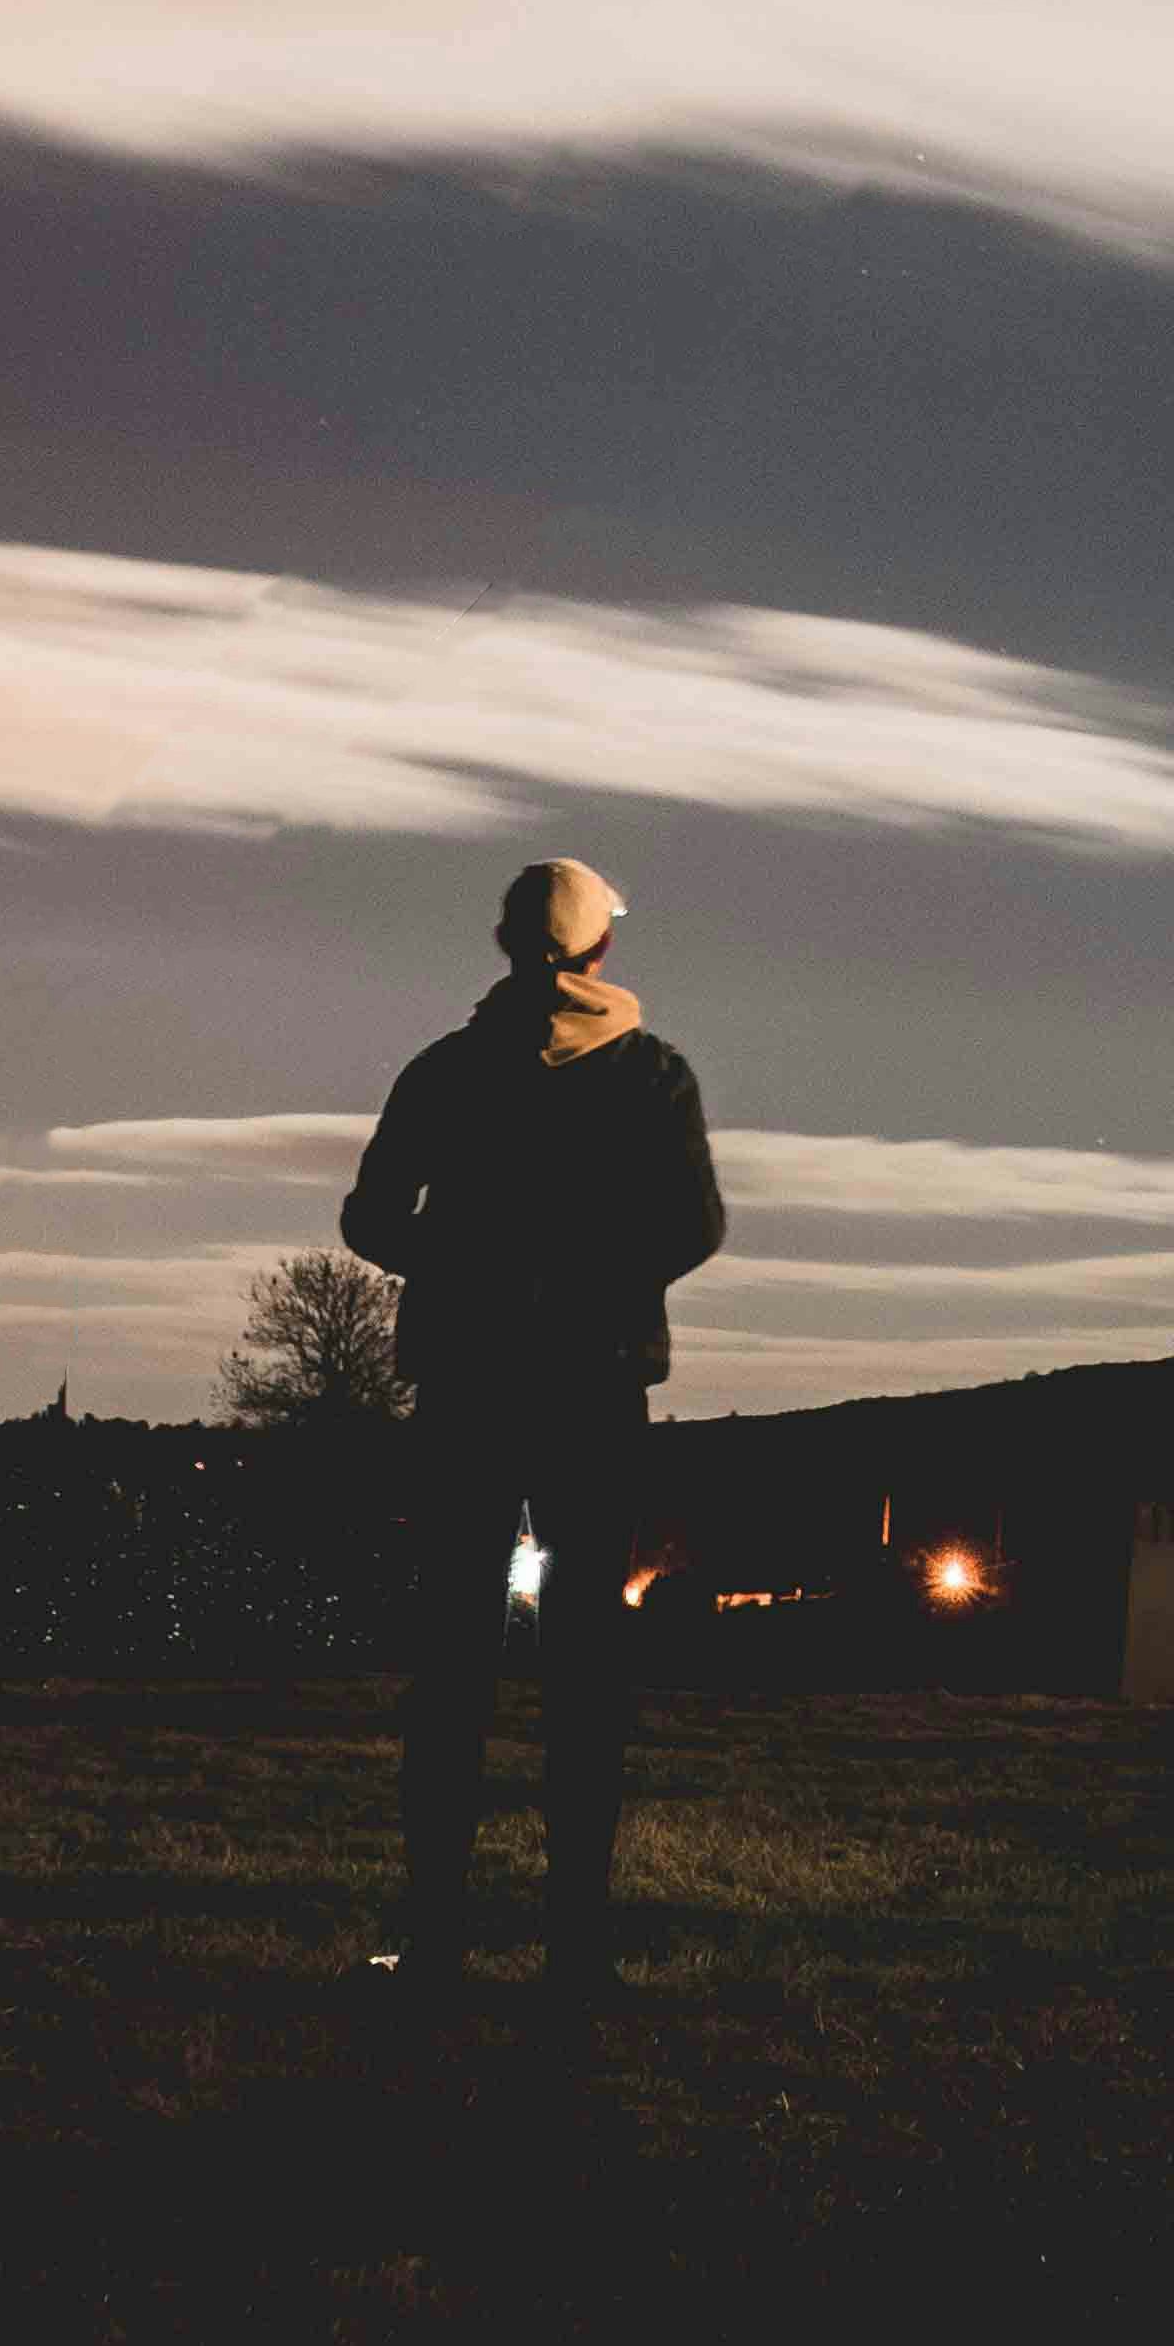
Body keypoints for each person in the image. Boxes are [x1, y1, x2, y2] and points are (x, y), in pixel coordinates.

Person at [339, 854, 725, 2030]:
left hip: (464, 1394)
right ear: (602, 949)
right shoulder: (653, 1075)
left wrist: (464, 1273)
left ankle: (439, 1944)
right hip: (596, 1396)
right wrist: (591, 1289)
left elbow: (368, 1217)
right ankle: (573, 1951)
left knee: (452, 1666)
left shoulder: (448, 1071)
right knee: (585, 1675)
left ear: (508, 945)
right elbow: (696, 1225)